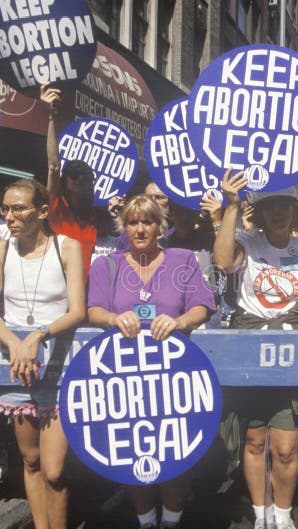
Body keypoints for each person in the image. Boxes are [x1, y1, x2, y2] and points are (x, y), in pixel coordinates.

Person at [87, 195, 215, 529]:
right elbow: (93, 310)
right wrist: (115, 319)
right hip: (125, 374)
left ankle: (172, 519)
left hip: (173, 376)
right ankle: (145, 520)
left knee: (173, 451)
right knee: (134, 450)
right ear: (124, 227)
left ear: (160, 226)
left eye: (147, 221)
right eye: (133, 222)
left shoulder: (183, 260)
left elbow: (202, 305)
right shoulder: (107, 265)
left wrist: (180, 322)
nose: (140, 229)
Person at [213, 170, 298, 529]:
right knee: (253, 440)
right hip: (250, 351)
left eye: (284, 205)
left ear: (294, 210)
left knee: (286, 447)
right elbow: (223, 261)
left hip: (292, 355)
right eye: (269, 206)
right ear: (261, 213)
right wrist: (231, 205)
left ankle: (282, 515)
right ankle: (262, 513)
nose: (277, 212)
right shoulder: (248, 244)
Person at [0, 179, 85, 529]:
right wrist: (14, 343)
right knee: (31, 460)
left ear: (42, 211)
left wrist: (38, 335)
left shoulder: (66, 247)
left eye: (19, 208)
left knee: (54, 470)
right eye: (5, 208)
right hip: (18, 367)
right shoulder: (0, 249)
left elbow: (78, 311)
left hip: (58, 367)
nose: (10, 216)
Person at [41, 84, 97, 274]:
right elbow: (54, 165)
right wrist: (51, 119)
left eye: (87, 181)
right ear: (67, 183)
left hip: (87, 294)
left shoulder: (96, 218)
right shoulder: (56, 206)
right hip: (57, 290)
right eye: (76, 180)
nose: (83, 185)